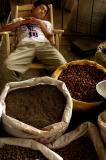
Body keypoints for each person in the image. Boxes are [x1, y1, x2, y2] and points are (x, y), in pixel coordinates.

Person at [3, 0, 66, 81]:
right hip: (25, 46)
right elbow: (4, 29)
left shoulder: (46, 23)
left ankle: (48, 74)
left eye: (45, 11)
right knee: (7, 67)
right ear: (33, 8)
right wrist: (22, 22)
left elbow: (50, 39)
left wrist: (40, 24)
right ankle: (19, 86)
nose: (43, 11)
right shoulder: (19, 20)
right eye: (41, 8)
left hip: (43, 46)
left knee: (63, 65)